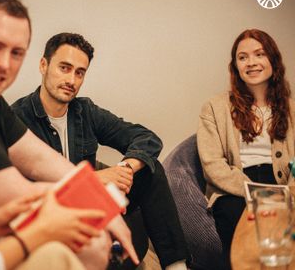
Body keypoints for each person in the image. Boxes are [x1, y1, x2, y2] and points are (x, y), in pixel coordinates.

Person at [0, 0, 138, 269]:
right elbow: (18, 195)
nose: (4, 64)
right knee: (91, 242)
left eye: (16, 53)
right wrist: (102, 209)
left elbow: (38, 159)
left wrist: (102, 203)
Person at [11, 32, 190, 270]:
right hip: (51, 215)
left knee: (151, 170)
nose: (71, 80)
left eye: (79, 72)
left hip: (93, 205)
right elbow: (22, 192)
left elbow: (147, 138)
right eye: (64, 68)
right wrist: (94, 180)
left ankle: (176, 266)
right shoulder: (17, 118)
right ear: (43, 65)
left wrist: (125, 168)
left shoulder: (84, 111)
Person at [197, 29, 295, 270]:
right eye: (243, 57)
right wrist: (253, 192)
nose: (251, 62)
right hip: (236, 189)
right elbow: (212, 165)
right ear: (235, 66)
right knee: (235, 217)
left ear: (273, 60)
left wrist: (288, 191)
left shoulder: (291, 108)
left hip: (283, 185)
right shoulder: (214, 107)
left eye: (259, 54)